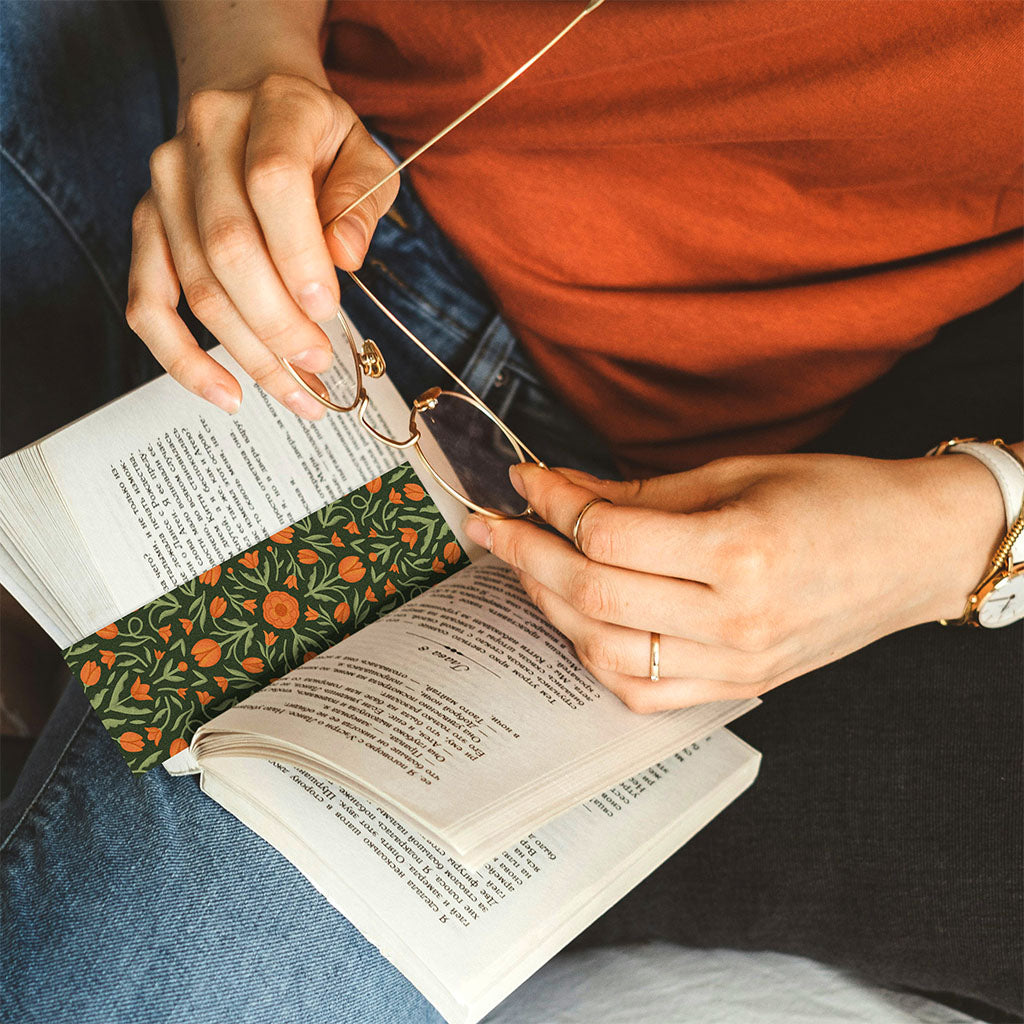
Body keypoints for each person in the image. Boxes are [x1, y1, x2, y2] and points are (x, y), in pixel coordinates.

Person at [2, 2, 1021, 1022]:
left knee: (146, 981)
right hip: (299, 159)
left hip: (617, 514)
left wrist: (966, 528)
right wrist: (246, 59)